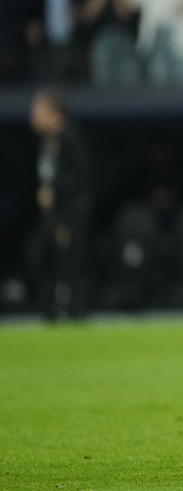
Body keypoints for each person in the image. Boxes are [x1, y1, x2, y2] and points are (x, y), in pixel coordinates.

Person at [26, 87, 94, 320]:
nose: (33, 115)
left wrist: (54, 190)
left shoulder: (70, 138)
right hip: (54, 213)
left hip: (69, 212)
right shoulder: (47, 142)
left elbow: (81, 176)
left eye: (38, 110)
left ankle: (72, 309)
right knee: (42, 254)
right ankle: (50, 306)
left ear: (55, 114)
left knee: (69, 261)